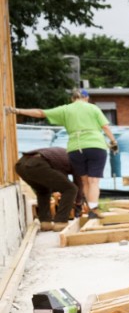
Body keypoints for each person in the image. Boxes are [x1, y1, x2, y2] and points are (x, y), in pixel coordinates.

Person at [5, 89, 117, 219]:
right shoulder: (93, 108)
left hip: (75, 147)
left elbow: (41, 113)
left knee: (85, 181)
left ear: (72, 99)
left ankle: (91, 209)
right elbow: (105, 127)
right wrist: (113, 141)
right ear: (86, 98)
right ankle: (93, 209)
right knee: (94, 181)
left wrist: (16, 110)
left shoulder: (65, 109)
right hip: (95, 145)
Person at [14, 146, 78, 231]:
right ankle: (61, 222)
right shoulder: (78, 163)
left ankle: (45, 222)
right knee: (71, 189)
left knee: (43, 190)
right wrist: (79, 204)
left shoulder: (65, 156)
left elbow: (61, 180)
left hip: (20, 165)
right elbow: (78, 184)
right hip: (36, 164)